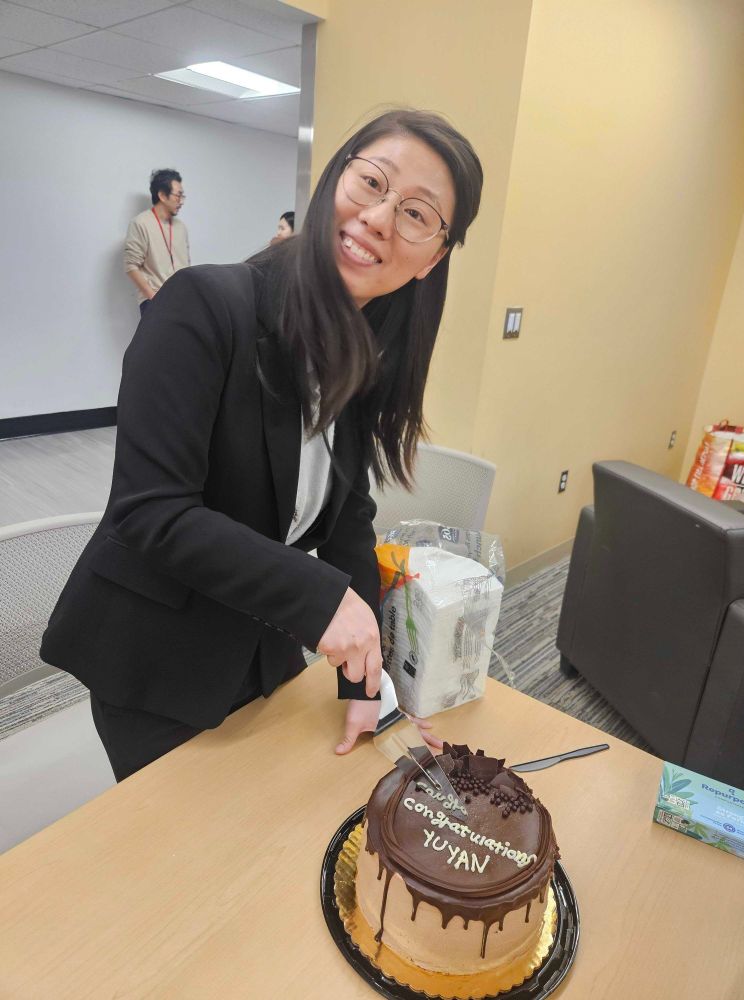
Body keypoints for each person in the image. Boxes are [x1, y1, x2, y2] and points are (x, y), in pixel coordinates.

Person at [41, 110, 483, 782]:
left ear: (435, 258)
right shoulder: (203, 306)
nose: (380, 219)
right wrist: (325, 601)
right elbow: (152, 512)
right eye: (371, 183)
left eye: (417, 214)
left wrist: (365, 684)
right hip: (155, 658)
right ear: (334, 177)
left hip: (259, 645)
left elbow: (348, 522)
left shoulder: (362, 351)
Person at [124, 168, 191, 316]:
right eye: (178, 196)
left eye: (182, 196)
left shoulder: (181, 227)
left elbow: (186, 265)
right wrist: (154, 298)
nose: (181, 201)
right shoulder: (141, 223)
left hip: (183, 301)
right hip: (154, 302)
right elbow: (131, 266)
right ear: (162, 195)